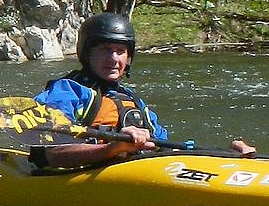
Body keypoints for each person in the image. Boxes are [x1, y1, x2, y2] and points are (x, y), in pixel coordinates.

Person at [29, 11, 254, 169]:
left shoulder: (132, 100)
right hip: (76, 178)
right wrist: (112, 149)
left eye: (120, 51)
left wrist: (224, 158)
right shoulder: (68, 91)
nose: (114, 59)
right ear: (87, 53)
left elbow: (166, 151)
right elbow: (48, 154)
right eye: (106, 49)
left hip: (134, 171)